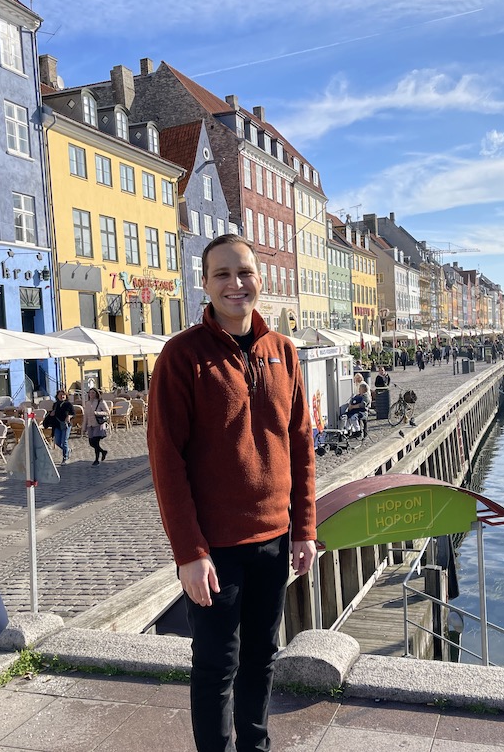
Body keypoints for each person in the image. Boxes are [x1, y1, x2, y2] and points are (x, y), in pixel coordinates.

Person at [147, 233, 317, 752]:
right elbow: (166, 463)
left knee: (263, 655)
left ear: (259, 280)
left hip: (272, 538)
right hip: (215, 547)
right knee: (217, 662)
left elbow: (302, 444)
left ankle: (256, 747)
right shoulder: (182, 356)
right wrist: (189, 554)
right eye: (222, 274)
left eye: (244, 272)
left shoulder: (282, 351)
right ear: (205, 284)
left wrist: (304, 528)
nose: (235, 284)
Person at [83, 387, 109, 465]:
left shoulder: (101, 402)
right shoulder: (87, 403)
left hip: (98, 424)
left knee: (95, 441)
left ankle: (96, 459)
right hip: (90, 425)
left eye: (93, 393)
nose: (91, 394)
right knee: (91, 443)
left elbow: (107, 412)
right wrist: (84, 427)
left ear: (96, 393)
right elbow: (86, 416)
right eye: (90, 393)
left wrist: (97, 413)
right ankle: (103, 451)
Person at [50, 389, 76, 465]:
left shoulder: (68, 404)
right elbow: (53, 414)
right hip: (57, 425)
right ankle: (68, 450)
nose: (62, 396)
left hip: (66, 425)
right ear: (57, 396)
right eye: (60, 395)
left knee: (64, 441)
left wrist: (69, 416)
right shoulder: (55, 404)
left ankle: (65, 457)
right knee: (58, 442)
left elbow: (74, 414)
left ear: (66, 396)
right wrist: (52, 414)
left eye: (63, 395)